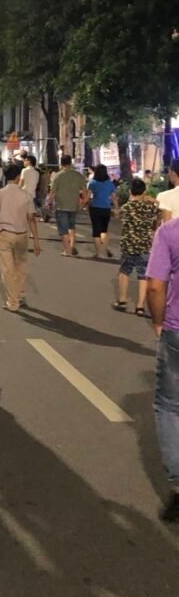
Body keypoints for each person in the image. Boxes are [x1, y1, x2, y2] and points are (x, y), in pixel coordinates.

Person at [146, 216, 179, 523]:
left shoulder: (170, 232)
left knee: (170, 406)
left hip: (177, 332)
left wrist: (158, 322)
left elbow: (156, 287)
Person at [0, 163, 40, 311]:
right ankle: (20, 294)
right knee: (21, 267)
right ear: (18, 177)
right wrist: (36, 240)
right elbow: (32, 218)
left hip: (5, 233)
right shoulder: (26, 195)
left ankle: (13, 301)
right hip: (22, 234)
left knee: (7, 269)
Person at [113, 178, 160, 315]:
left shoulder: (127, 207)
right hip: (145, 244)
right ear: (144, 191)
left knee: (124, 271)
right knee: (143, 275)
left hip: (129, 244)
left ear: (130, 191)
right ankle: (140, 306)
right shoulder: (150, 207)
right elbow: (158, 215)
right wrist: (152, 200)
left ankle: (123, 300)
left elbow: (118, 216)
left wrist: (116, 203)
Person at [49, 155, 88, 256]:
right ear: (70, 163)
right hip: (74, 205)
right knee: (72, 226)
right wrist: (84, 201)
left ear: (61, 163)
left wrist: (50, 202)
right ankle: (71, 246)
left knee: (63, 230)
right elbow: (85, 190)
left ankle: (67, 250)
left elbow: (52, 192)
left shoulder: (58, 176)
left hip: (61, 205)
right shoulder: (78, 175)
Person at [87, 163, 118, 259]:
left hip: (95, 207)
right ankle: (106, 248)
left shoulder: (93, 183)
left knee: (96, 231)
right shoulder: (110, 183)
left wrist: (85, 204)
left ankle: (99, 253)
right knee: (104, 230)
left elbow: (89, 196)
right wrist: (117, 208)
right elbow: (114, 197)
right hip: (106, 208)